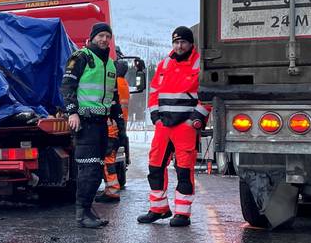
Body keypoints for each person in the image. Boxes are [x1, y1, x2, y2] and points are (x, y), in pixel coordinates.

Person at [138, 25, 210, 227]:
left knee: (184, 170)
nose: (179, 46)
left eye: (183, 42)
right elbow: (153, 93)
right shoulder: (164, 65)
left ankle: (183, 214)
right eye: (176, 42)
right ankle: (158, 209)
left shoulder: (199, 65)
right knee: (155, 166)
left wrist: (194, 120)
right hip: (164, 125)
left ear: (190, 44)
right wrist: (156, 118)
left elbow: (206, 96)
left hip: (185, 126)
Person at [60, 22, 123, 228]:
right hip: (84, 121)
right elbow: (67, 86)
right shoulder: (81, 57)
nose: (104, 40)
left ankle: (87, 210)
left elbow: (113, 94)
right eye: (100, 36)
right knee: (88, 169)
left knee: (97, 168)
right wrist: (72, 112)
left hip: (101, 123)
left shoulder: (110, 64)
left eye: (107, 36)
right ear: (93, 37)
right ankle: (82, 214)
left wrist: (116, 117)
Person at [97, 47, 132, 202]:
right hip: (117, 126)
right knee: (109, 159)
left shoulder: (114, 82)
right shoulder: (123, 83)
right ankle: (112, 189)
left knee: (107, 159)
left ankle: (111, 190)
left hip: (110, 126)